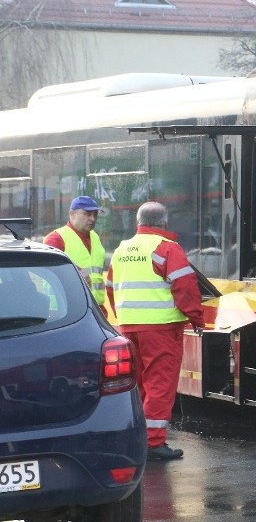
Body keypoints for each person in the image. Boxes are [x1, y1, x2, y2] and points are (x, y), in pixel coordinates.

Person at [106, 201, 205, 460]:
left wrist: (123, 316)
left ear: (138, 223)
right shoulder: (167, 248)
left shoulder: (121, 250)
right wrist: (196, 317)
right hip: (161, 329)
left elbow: (110, 287)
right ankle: (153, 443)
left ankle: (137, 438)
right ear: (164, 223)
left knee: (135, 385)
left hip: (128, 327)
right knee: (159, 384)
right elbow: (185, 287)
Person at [43, 196, 106, 311]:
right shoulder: (56, 238)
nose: (92, 218)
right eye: (87, 214)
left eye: (95, 214)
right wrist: (74, 276)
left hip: (95, 308)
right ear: (72, 214)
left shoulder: (95, 237)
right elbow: (47, 272)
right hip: (65, 309)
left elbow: (95, 275)